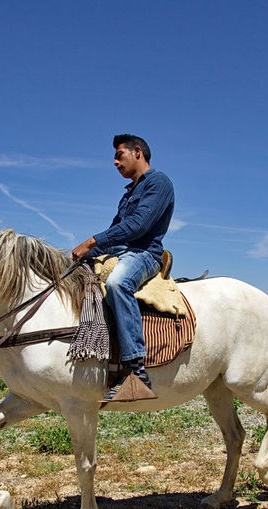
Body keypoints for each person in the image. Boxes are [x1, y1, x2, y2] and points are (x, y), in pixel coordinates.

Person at [71, 134, 175, 399]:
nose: (115, 162)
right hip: (121, 251)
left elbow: (137, 226)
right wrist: (87, 253)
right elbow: (116, 231)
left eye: (119, 155)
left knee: (118, 284)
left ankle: (135, 368)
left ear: (137, 152)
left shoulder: (159, 183)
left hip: (144, 254)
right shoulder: (129, 192)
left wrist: (92, 241)